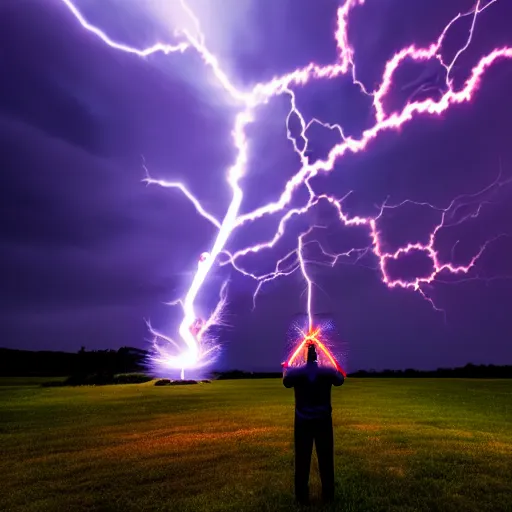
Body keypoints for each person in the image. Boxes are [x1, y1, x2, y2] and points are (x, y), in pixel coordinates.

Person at [282, 343, 344, 505]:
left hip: (302, 421)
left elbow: (286, 382)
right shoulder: (327, 370)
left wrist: (287, 368)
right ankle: (328, 496)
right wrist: (333, 364)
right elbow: (340, 380)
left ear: (305, 355)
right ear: (317, 355)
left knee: (302, 460)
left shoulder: (296, 372)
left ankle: (301, 497)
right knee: (326, 459)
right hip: (323, 420)